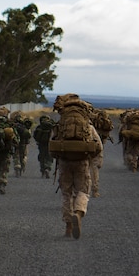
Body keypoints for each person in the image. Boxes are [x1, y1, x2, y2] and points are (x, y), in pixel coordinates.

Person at [50, 94, 102, 239]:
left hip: (64, 163)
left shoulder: (60, 125)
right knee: (83, 191)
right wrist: (90, 156)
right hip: (82, 162)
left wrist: (59, 157)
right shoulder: (88, 126)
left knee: (66, 194)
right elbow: (98, 146)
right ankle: (78, 213)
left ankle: (68, 227)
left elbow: (52, 147)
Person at [33, 114, 55, 178]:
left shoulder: (39, 127)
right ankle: (47, 168)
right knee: (49, 157)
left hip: (41, 144)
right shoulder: (51, 126)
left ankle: (42, 171)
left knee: (42, 157)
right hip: (50, 144)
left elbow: (35, 136)